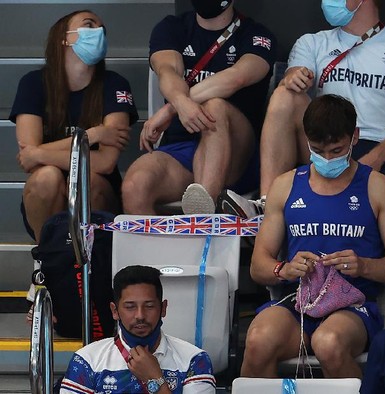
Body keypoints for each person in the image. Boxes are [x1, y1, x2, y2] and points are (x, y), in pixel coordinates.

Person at [240, 95, 385, 378]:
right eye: (318, 150)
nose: (328, 159)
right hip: (298, 302)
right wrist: (283, 269)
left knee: (328, 343)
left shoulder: (378, 187)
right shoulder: (285, 186)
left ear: (354, 137)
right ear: (307, 139)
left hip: (353, 306)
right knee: (258, 339)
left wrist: (365, 265)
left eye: (337, 150)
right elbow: (258, 267)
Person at [222, 0, 385, 219]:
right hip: (325, 143)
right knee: (284, 95)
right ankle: (267, 207)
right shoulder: (312, 43)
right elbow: (296, 74)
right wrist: (292, 78)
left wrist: (376, 158)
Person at [121, 0, 276, 215]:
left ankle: (201, 219)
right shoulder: (172, 27)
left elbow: (236, 78)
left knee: (215, 107)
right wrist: (181, 102)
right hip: (182, 148)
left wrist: (170, 109)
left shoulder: (256, 34)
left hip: (236, 152)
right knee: (135, 186)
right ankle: (163, 248)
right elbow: (167, 71)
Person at [10, 10, 138, 243]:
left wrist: (40, 152)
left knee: (87, 180)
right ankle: (46, 258)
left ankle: (93, 262)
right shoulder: (33, 83)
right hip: (47, 195)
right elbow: (29, 161)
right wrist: (92, 135)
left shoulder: (114, 84)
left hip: (99, 192)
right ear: (64, 38)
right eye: (89, 25)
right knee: (46, 178)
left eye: (102, 30)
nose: (98, 32)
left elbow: (105, 163)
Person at [60, 265, 216, 393]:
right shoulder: (87, 361)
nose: (140, 315)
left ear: (163, 308)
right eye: (130, 307)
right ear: (115, 311)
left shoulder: (194, 360)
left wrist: (155, 379)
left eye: (149, 306)